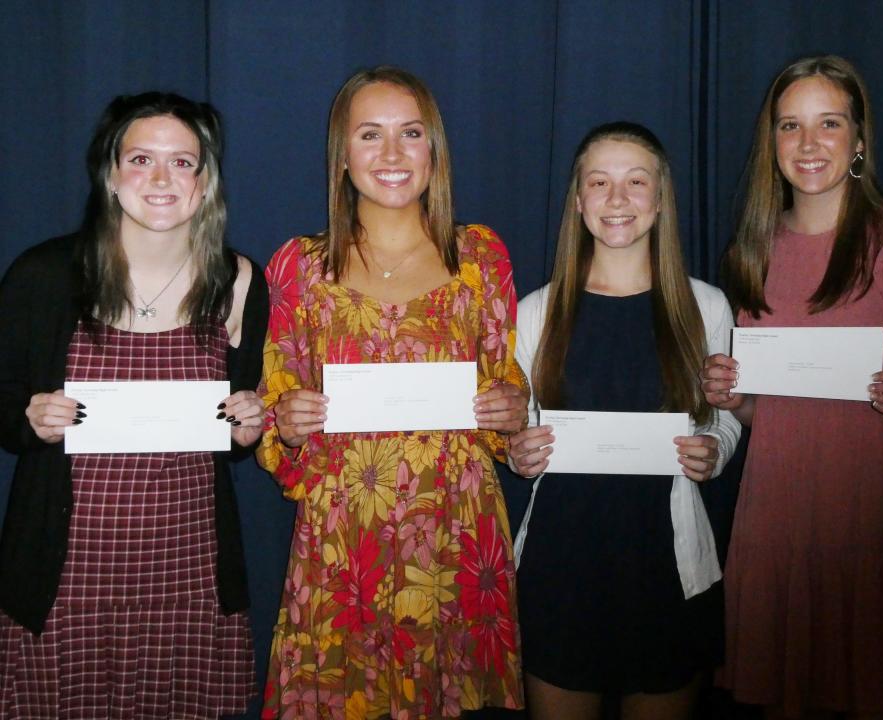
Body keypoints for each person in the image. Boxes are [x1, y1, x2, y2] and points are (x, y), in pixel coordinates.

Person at [256, 66, 527, 719]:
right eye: (370, 135)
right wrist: (287, 422)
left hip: (452, 535)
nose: (393, 154)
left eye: (411, 133)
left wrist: (511, 410)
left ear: (434, 148)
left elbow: (506, 388)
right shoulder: (300, 266)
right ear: (341, 156)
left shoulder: (480, 257)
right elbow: (274, 409)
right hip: (343, 543)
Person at [701, 55, 883, 719]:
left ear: (860, 139)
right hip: (783, 516)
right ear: (772, 142)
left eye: (829, 123)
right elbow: (774, 413)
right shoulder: (750, 251)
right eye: (791, 126)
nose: (809, 144)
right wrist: (737, 399)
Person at [0, 92, 269, 718]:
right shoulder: (45, 275)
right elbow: (4, 404)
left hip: (187, 572)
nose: (160, 178)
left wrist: (248, 426)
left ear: (205, 183)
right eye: (141, 158)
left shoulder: (238, 282)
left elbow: (237, 428)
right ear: (111, 174)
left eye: (183, 162)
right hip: (67, 576)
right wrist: (28, 419)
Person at [507, 121, 741, 720]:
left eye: (636, 182)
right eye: (600, 182)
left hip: (665, 570)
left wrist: (715, 446)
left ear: (660, 199)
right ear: (578, 201)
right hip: (560, 571)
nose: (617, 200)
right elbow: (516, 428)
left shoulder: (705, 305)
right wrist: (517, 451)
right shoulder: (536, 311)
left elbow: (724, 416)